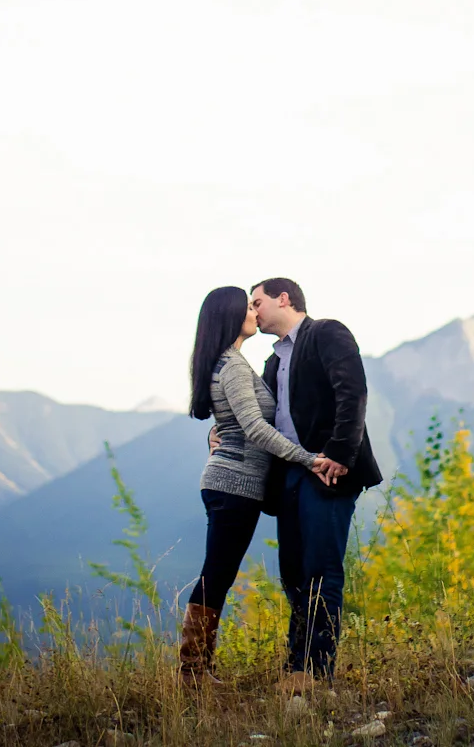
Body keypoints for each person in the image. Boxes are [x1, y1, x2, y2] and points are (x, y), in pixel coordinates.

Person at [179, 285, 333, 681]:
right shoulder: (231, 365)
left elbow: (231, 422)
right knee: (217, 576)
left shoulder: (230, 363)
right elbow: (255, 428)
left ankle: (195, 670)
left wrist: (218, 434)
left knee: (218, 574)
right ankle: (193, 670)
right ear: (231, 315)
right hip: (234, 485)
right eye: (247, 307)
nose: (254, 312)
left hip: (231, 483)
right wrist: (309, 457)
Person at [250, 277, 382, 690]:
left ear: (283, 298)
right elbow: (257, 416)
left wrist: (341, 454)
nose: (252, 312)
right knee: (292, 572)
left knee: (321, 570)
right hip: (289, 474)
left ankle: (317, 671)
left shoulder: (326, 332)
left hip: (328, 470)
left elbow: (353, 392)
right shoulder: (273, 362)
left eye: (257, 302)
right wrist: (214, 436)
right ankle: (296, 666)